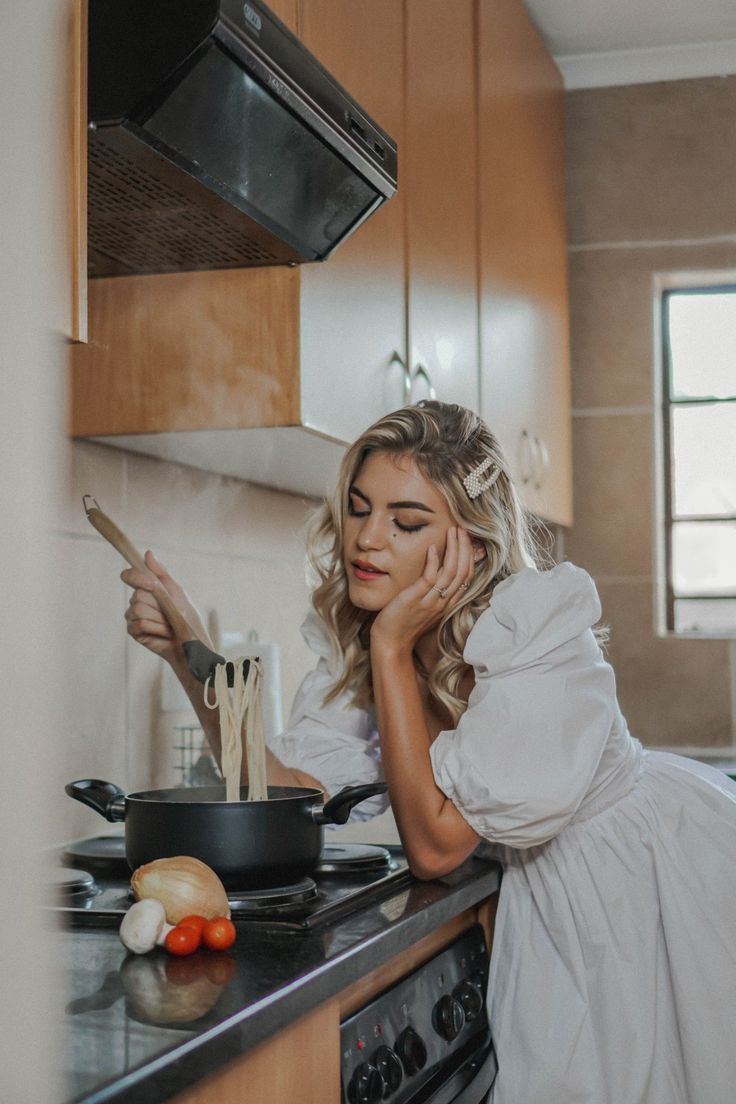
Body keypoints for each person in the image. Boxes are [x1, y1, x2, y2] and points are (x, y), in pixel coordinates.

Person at [122, 400, 736, 1104]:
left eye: (406, 522)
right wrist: (189, 653)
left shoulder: (533, 635)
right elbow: (294, 789)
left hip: (643, 887)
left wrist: (391, 645)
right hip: (556, 905)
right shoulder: (363, 642)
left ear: (469, 546)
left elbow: (438, 847)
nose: (367, 539)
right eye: (359, 510)